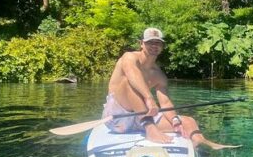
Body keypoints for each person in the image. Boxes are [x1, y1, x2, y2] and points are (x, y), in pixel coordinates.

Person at [102, 27, 240, 150]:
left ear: (162, 47)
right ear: (141, 44)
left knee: (188, 121)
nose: (154, 46)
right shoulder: (129, 57)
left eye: (158, 43)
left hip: (141, 116)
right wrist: (149, 98)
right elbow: (132, 74)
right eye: (150, 42)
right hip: (118, 117)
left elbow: (165, 103)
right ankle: (150, 129)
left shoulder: (159, 75)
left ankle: (202, 142)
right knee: (128, 83)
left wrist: (175, 121)